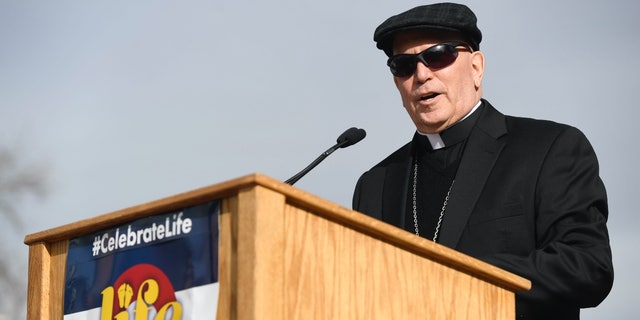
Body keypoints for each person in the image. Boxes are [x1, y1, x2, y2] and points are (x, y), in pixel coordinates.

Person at [352, 3, 613, 319]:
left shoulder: (549, 148)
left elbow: (587, 267)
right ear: (397, 83)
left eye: (438, 55)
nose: (421, 74)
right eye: (404, 65)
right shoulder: (375, 184)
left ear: (476, 67)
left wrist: (464, 275)